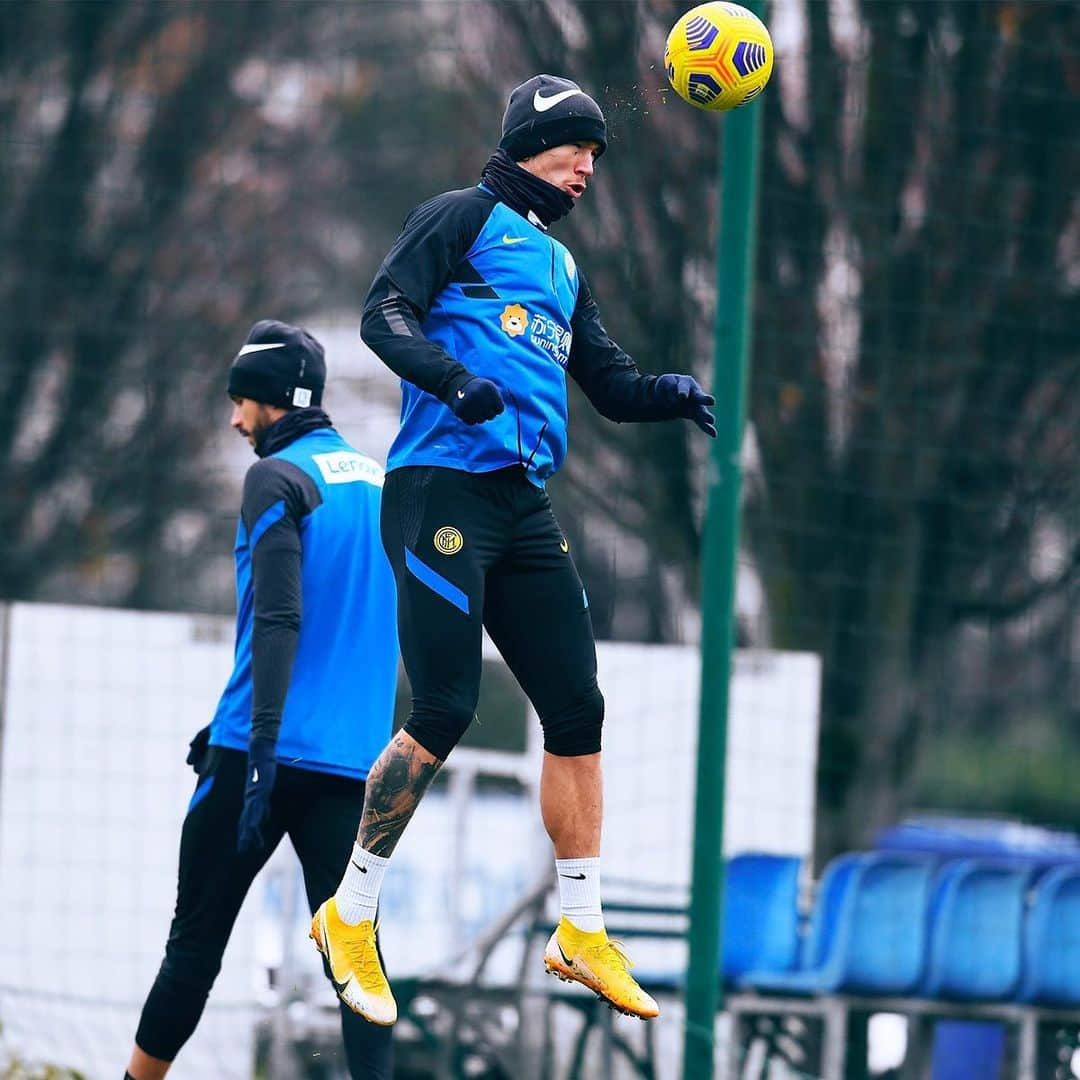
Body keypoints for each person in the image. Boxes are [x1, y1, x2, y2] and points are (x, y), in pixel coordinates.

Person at [310, 74, 715, 1024]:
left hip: (522, 504)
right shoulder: (462, 216)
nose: (587, 167)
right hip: (439, 488)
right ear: (532, 142)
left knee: (578, 707)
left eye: (596, 156)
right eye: (577, 147)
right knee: (446, 705)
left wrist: (670, 391)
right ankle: (351, 912)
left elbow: (606, 384)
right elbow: (383, 313)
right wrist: (454, 383)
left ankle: (579, 929)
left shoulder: (563, 269)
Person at [125, 321, 398, 1080]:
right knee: (358, 965)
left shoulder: (275, 478)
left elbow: (281, 619)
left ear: (272, 400)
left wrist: (259, 746)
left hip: (259, 754)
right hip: (351, 767)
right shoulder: (384, 485)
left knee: (193, 951)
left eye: (239, 400)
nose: (234, 419)